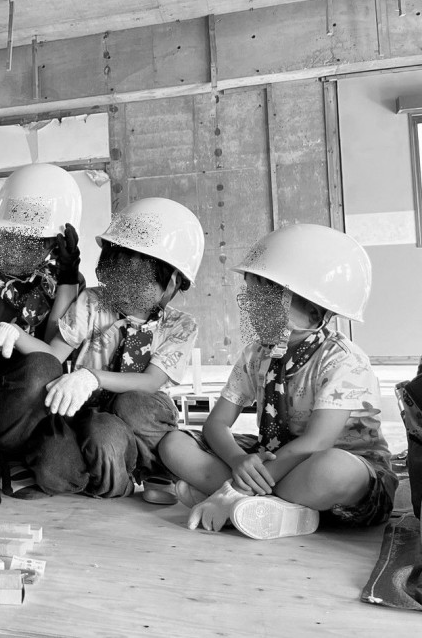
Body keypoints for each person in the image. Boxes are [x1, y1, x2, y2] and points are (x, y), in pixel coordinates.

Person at [159, 224, 397, 540]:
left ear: (314, 309)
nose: (253, 308)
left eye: (268, 299)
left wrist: (233, 489)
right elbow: (216, 425)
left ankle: (242, 499)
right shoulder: (256, 354)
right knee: (173, 443)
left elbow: (316, 444)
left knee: (335, 469)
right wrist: (238, 460)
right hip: (274, 457)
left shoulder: (344, 360)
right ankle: (281, 507)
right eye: (252, 296)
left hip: (333, 467)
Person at [0, 197, 203, 500]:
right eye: (117, 273)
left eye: (139, 280)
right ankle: (103, 481)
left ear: (174, 280)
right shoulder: (93, 302)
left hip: (140, 414)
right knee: (60, 458)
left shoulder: (180, 325)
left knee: (130, 405)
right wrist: (14, 333)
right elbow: (54, 354)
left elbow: (151, 382)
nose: (124, 286)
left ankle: (154, 471)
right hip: (88, 414)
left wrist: (92, 377)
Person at [0, 163, 84, 505]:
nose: (13, 246)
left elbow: (56, 347)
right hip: (0, 410)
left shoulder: (64, 287)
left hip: (48, 409)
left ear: (52, 244)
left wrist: (68, 280)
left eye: (28, 240)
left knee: (63, 475)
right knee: (38, 367)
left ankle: (37, 455)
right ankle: (9, 454)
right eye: (8, 234)